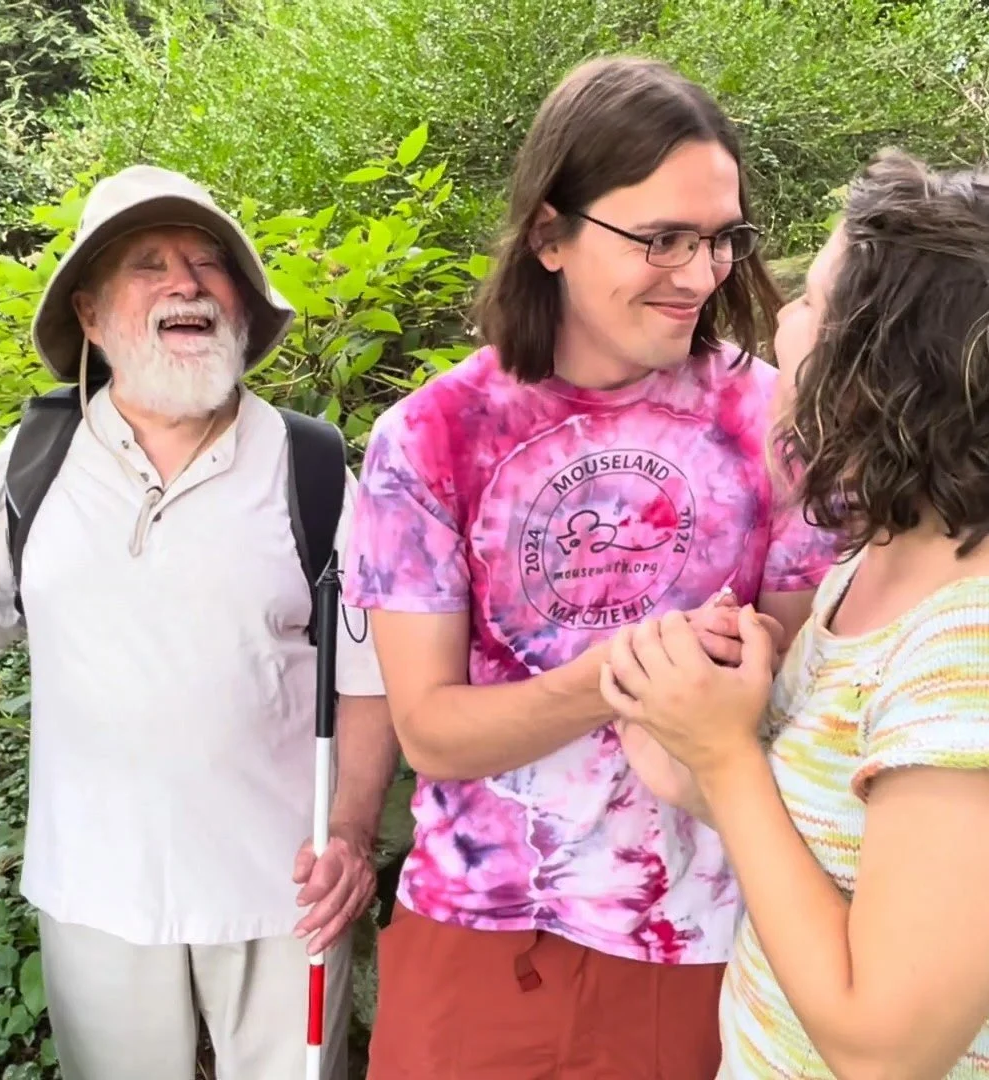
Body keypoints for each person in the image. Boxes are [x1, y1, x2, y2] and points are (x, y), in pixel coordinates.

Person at [0, 164, 399, 1080]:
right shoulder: (36, 460)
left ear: (244, 308)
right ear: (90, 314)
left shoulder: (316, 469)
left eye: (211, 264)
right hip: (93, 884)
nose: (187, 283)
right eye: (150, 264)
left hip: (285, 893)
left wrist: (349, 839)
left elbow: (370, 678)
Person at [600, 149, 989, 1078]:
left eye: (816, 303)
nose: (784, 320)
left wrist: (729, 759)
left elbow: (885, 1047)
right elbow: (839, 873)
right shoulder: (880, 568)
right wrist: (701, 748)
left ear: (887, 375)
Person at [343, 56, 842, 1077]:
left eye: (719, 239)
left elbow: (809, 669)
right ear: (550, 235)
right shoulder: (429, 438)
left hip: (698, 937)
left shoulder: (775, 420)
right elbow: (431, 733)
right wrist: (625, 676)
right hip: (474, 933)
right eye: (661, 238)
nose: (701, 275)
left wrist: (748, 653)